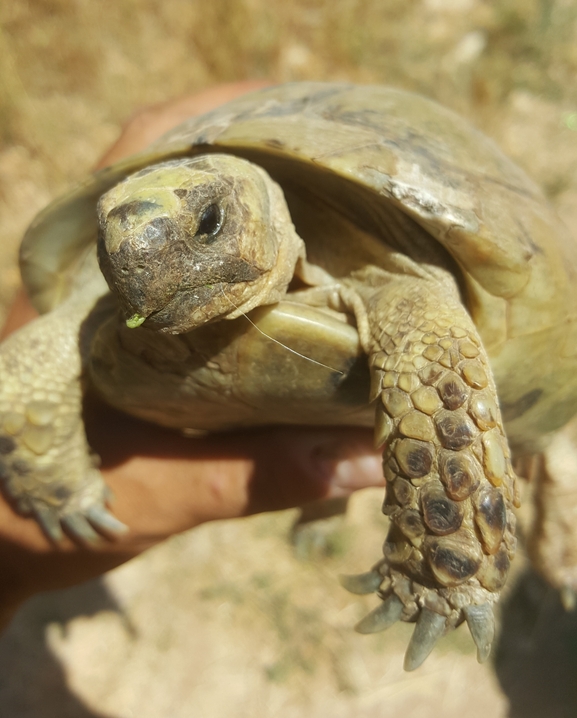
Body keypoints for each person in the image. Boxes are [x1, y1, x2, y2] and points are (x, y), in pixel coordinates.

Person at [0, 82, 383, 631]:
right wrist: (43, 502)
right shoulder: (102, 302)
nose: (140, 265)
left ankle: (326, 510)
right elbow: (20, 375)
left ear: (256, 207)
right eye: (115, 251)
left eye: (208, 226)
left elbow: (441, 360)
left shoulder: (372, 249)